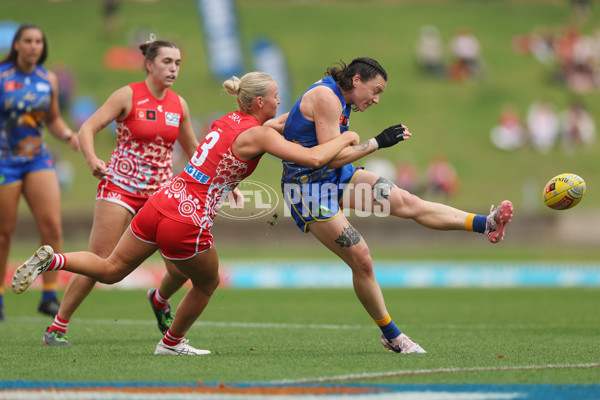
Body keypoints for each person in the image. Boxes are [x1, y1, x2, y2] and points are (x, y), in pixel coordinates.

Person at [12, 71, 361, 355]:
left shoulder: (229, 121)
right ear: (259, 102)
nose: (280, 100)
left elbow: (268, 131)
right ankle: (171, 343)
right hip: (188, 217)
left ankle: (54, 260)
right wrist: (351, 137)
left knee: (111, 268)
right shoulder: (259, 135)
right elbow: (316, 158)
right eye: (275, 96)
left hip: (162, 199)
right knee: (208, 282)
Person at [280, 57, 514, 354]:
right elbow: (329, 156)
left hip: (334, 177)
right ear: (356, 81)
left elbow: (303, 136)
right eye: (375, 91)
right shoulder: (328, 97)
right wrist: (377, 142)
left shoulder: (338, 97)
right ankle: (391, 335)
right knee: (362, 258)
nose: (376, 99)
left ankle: (486, 224)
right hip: (307, 190)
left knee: (407, 201)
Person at [42, 38, 201, 346]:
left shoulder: (178, 104)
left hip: (160, 195)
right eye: (167, 62)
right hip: (120, 187)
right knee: (99, 261)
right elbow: (87, 127)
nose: (173, 69)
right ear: (149, 64)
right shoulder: (128, 95)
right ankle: (57, 327)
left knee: (182, 266)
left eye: (178, 63)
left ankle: (159, 298)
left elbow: (194, 149)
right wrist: (92, 160)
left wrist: (222, 182)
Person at [0, 23, 80, 322]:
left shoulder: (49, 79)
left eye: (38, 41)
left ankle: (49, 295)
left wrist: (68, 134)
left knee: (52, 227)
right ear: (17, 45)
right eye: (28, 41)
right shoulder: (2, 76)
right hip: (4, 161)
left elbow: (54, 119)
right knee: (4, 233)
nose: (34, 46)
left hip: (38, 159)